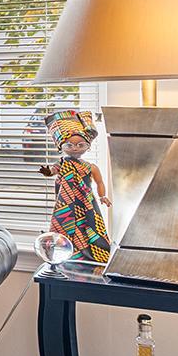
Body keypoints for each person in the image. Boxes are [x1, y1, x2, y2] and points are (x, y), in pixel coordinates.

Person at [39, 109, 110, 263]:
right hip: (65, 204)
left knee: (88, 225)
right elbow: (53, 171)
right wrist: (47, 171)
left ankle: (91, 253)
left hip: (86, 202)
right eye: (70, 144)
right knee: (64, 225)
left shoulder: (89, 166)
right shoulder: (62, 163)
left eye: (80, 144)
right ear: (61, 146)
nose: (75, 148)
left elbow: (99, 182)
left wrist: (103, 196)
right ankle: (64, 253)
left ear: (87, 146)